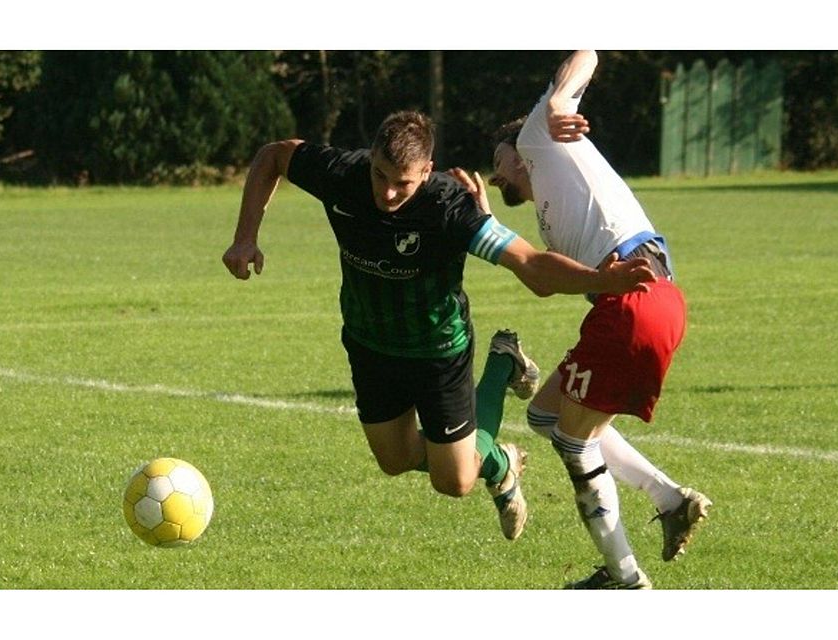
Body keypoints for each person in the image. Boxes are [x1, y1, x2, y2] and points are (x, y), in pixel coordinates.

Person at [222, 110, 656, 542]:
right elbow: (274, 156)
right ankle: (498, 444)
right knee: (394, 460)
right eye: (380, 175)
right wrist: (245, 237)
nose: (387, 192)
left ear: (427, 172)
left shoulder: (449, 207)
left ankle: (500, 386)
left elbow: (529, 264)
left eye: (403, 183)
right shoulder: (342, 173)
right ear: (370, 157)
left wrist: (601, 279)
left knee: (454, 482)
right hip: (369, 344)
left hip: (437, 352)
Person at [455, 51, 712, 588]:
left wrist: (553, 102)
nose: (496, 169)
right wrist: (486, 223)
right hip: (646, 303)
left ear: (516, 146)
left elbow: (588, 50)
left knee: (575, 442)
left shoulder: (538, 139)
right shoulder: (551, 199)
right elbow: (543, 276)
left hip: (633, 304)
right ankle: (670, 500)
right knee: (547, 417)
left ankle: (623, 579)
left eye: (498, 160)